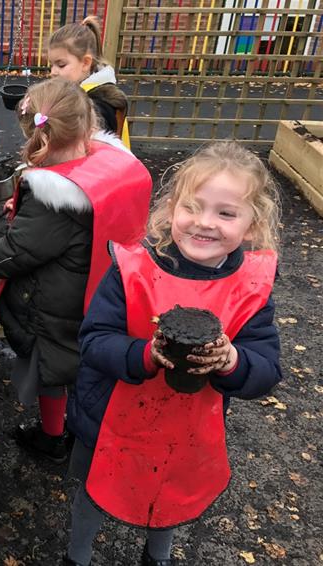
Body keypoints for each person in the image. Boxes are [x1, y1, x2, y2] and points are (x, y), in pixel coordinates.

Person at [64, 141, 282, 566]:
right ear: (170, 210)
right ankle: (78, 556)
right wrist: (144, 354)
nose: (205, 223)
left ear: (252, 226)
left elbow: (267, 367)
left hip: (186, 427)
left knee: (170, 493)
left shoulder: (250, 290)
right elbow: (94, 340)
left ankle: (158, 555)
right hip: (109, 417)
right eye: (192, 207)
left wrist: (231, 361)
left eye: (226, 213)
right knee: (94, 491)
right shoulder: (133, 270)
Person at [0, 78, 151, 463]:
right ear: (88, 126)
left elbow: (16, 253)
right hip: (98, 288)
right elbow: (60, 231)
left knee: (53, 373)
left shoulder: (54, 194)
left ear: (36, 133)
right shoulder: (106, 159)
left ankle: (56, 439)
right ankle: (78, 433)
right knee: (81, 371)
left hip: (55, 308)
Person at [48, 15, 129, 142]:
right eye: (51, 65)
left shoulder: (99, 106)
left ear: (85, 63)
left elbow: (85, 148)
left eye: (61, 65)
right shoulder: (81, 92)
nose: (53, 72)